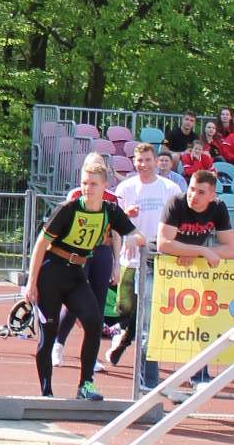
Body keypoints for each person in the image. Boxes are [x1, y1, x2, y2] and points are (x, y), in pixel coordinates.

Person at [23, 158, 137, 400]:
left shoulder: (110, 211)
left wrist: (135, 240)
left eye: (93, 184)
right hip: (51, 272)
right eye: (84, 183)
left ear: (104, 186)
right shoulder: (68, 209)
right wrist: (31, 283)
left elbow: (135, 233)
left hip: (76, 273)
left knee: (94, 322)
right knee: (48, 333)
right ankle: (46, 392)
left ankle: (85, 384)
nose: (88, 188)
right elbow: (41, 244)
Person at [157, 170, 234, 392]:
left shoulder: (218, 208)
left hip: (191, 269)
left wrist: (198, 254)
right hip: (161, 267)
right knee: (149, 324)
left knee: (200, 321)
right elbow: (164, 244)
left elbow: (231, 248)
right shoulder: (176, 203)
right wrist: (200, 250)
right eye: (191, 189)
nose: (193, 195)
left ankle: (199, 375)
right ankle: (146, 377)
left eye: (201, 192)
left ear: (212, 195)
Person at [109, 140, 177, 391]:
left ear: (156, 161)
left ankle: (146, 375)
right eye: (140, 160)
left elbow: (177, 222)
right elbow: (114, 225)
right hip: (131, 258)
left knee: (149, 315)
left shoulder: (169, 188)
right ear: (134, 162)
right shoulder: (125, 188)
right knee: (126, 308)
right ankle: (124, 334)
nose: (144, 165)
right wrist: (126, 216)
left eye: (148, 160)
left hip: (158, 258)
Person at [50, 157, 121, 372]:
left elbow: (116, 233)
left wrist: (117, 263)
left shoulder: (112, 200)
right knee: (74, 301)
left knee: (98, 304)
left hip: (102, 251)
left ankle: (91, 355)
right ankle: (58, 344)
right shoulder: (75, 195)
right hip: (79, 252)